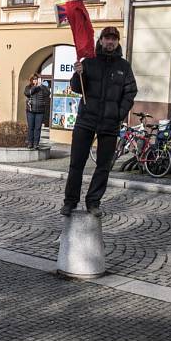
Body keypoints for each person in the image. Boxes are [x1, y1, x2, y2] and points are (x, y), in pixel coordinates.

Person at [61, 26, 137, 218]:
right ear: (101, 40)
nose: (110, 42)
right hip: (86, 120)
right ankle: (70, 202)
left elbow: (130, 91)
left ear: (117, 42)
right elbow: (77, 88)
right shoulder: (89, 61)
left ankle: (93, 201)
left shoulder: (124, 67)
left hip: (110, 124)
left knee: (104, 166)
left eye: (114, 39)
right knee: (76, 163)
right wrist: (78, 73)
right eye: (107, 38)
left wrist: (119, 113)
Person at [24, 73, 50, 149]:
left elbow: (48, 93)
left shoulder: (43, 87)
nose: (35, 80)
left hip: (40, 111)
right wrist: (35, 87)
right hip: (30, 110)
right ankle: (30, 143)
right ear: (31, 80)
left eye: (37, 79)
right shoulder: (28, 87)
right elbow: (27, 93)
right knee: (31, 127)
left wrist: (41, 86)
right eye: (34, 79)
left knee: (38, 128)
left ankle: (36, 144)